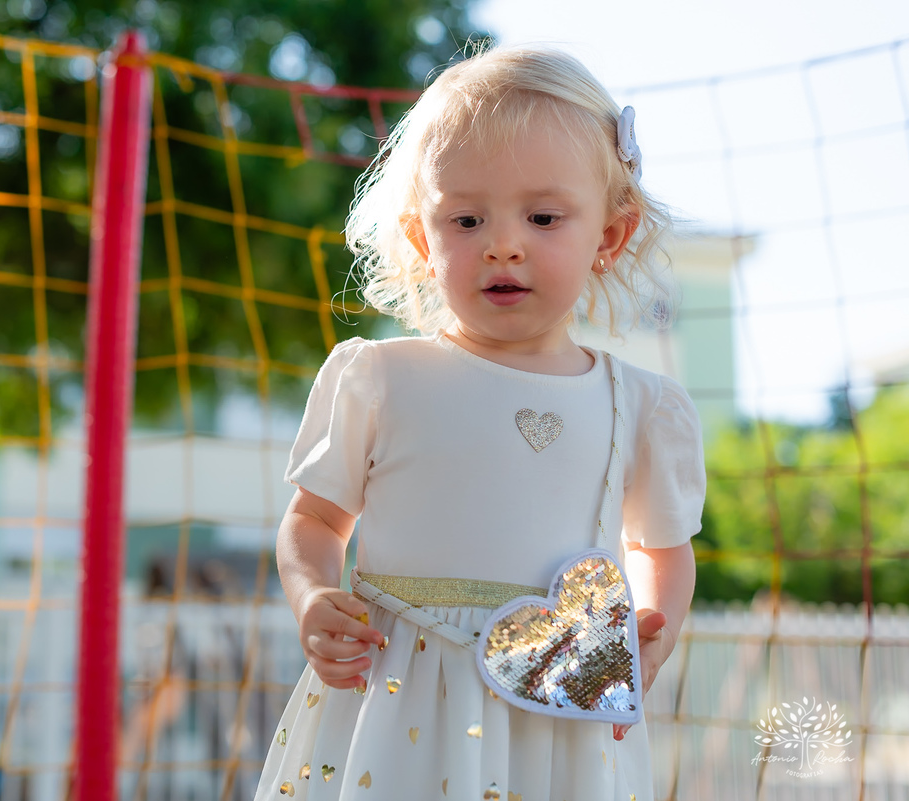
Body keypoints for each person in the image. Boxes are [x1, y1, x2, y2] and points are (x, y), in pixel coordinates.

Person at [254, 44, 706, 801]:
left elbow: (663, 550)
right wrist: (310, 595)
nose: (504, 241)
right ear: (424, 241)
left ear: (608, 236)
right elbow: (314, 520)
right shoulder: (382, 379)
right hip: (397, 700)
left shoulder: (642, 406)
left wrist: (654, 635)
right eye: (466, 217)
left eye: (542, 215)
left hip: (558, 698)